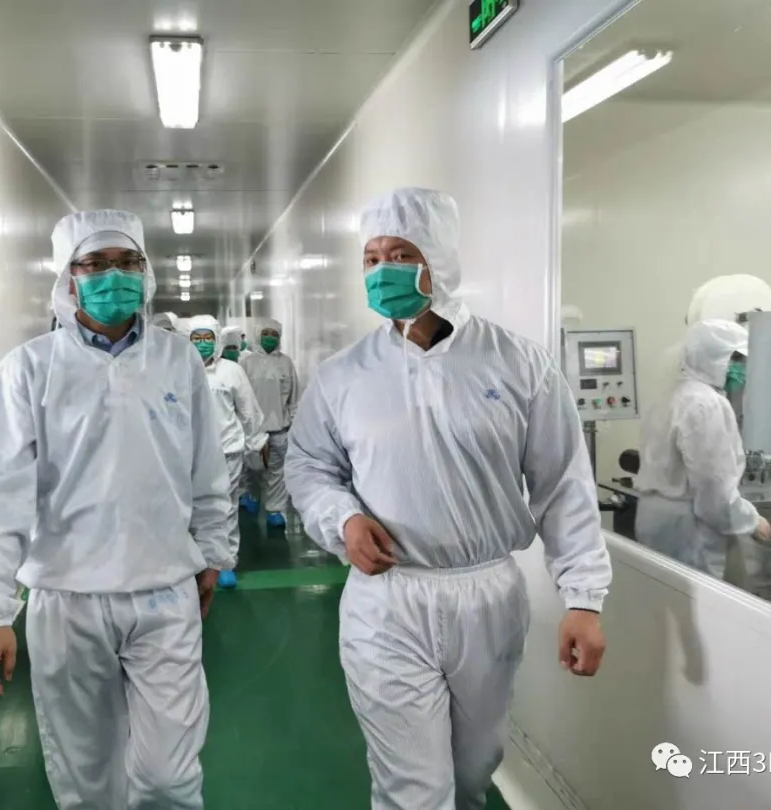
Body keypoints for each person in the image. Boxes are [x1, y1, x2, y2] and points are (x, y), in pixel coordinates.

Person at [284, 187, 612, 810]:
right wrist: (342, 518)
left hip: (486, 595)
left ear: (437, 259)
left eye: (400, 254)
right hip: (387, 600)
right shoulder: (343, 376)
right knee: (414, 789)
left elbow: (564, 484)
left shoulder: (518, 364)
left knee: (471, 772)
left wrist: (584, 598)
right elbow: (308, 466)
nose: (382, 270)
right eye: (371, 258)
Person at [0, 209, 233, 810]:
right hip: (67, 597)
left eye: (127, 262)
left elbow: (207, 470)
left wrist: (213, 553)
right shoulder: (29, 369)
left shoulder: (178, 360)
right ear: (69, 276)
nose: (115, 276)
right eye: (95, 264)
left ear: (145, 270)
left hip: (164, 592)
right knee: (86, 773)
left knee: (168, 775)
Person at [635, 319, 771, 580]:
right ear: (715, 358)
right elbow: (713, 490)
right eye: (736, 360)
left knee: (658, 596)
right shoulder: (706, 404)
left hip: (654, 520)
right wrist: (751, 521)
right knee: (691, 600)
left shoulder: (670, 395)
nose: (742, 368)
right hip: (688, 530)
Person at [189, 316, 269, 588]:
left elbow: (248, 409)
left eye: (207, 338)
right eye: (196, 338)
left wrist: (257, 441)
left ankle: (225, 562)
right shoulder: (179, 368)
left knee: (226, 507)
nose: (202, 343)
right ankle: (198, 560)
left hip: (227, 450)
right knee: (192, 509)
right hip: (190, 454)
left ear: (217, 340)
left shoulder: (231, 371)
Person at [240, 318, 298, 527]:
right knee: (253, 468)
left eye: (274, 334)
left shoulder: (286, 363)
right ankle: (252, 495)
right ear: (258, 335)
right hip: (253, 429)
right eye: (266, 333)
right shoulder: (246, 363)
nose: (270, 338)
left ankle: (275, 510)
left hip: (280, 428)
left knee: (277, 472)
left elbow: (294, 396)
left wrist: (293, 422)